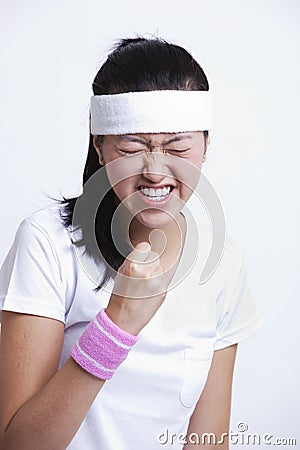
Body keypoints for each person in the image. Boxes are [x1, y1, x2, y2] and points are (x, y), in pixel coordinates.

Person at [0, 37, 261, 449]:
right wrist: (116, 325)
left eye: (178, 147)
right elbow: (17, 444)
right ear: (100, 148)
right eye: (131, 148)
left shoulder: (224, 261)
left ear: (206, 146)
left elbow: (209, 441)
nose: (156, 171)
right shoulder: (47, 242)